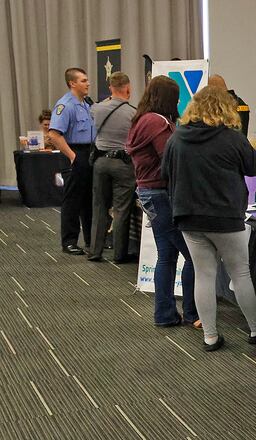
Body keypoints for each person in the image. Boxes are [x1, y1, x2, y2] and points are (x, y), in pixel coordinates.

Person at [162, 86, 256, 352]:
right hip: (226, 217)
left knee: (204, 275)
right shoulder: (232, 138)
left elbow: (165, 173)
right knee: (240, 273)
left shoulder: (176, 138)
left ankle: (210, 336)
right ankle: (255, 330)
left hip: (188, 217)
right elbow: (254, 167)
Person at [126, 76, 199, 329]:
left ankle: (165, 314)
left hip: (149, 193)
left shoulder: (142, 120)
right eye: (176, 97)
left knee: (166, 256)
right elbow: (170, 158)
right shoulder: (156, 122)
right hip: (161, 195)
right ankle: (192, 312)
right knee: (194, 256)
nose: (179, 101)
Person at [87, 72, 137, 263]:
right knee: (121, 210)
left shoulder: (97, 109)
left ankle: (95, 251)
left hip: (100, 163)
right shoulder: (133, 113)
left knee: (99, 207)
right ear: (128, 88)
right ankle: (119, 254)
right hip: (123, 164)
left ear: (110, 88)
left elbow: (96, 108)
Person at [48, 67, 96, 255]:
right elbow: (54, 134)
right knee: (73, 199)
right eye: (83, 80)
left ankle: (92, 239)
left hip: (89, 151)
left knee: (88, 199)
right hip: (74, 152)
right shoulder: (65, 105)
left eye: (87, 80)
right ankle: (69, 241)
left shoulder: (86, 103)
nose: (88, 83)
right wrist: (73, 156)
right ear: (72, 83)